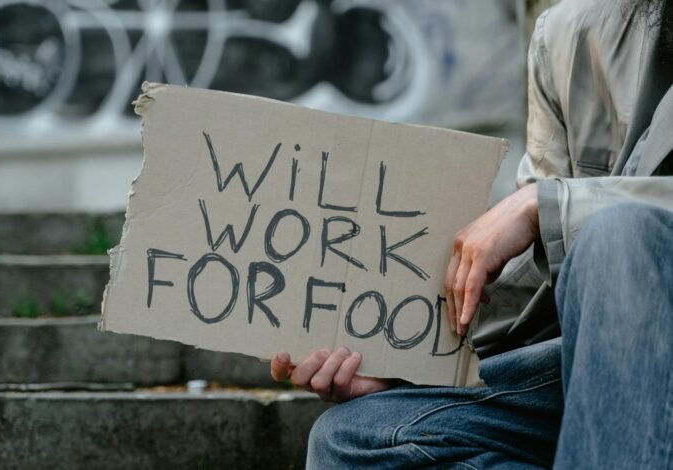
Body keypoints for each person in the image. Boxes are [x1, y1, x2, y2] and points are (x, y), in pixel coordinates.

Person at [270, 0, 673, 467]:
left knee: (620, 237)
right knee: (354, 440)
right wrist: (409, 356)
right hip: (599, 371)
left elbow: (576, 226)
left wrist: (551, 206)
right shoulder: (570, 34)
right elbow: (540, 289)